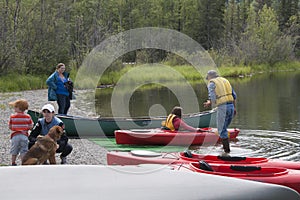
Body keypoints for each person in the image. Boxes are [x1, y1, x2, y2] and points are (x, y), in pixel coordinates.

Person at [203, 70, 237, 155]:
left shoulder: (211, 84)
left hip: (222, 108)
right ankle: (224, 147)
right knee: (224, 129)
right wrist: (234, 108)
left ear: (210, 77)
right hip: (231, 107)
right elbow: (234, 96)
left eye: (208, 78)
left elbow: (213, 98)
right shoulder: (225, 81)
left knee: (221, 130)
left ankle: (226, 152)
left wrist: (209, 102)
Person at [8, 99, 33, 166]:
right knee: (24, 150)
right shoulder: (27, 116)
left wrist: (14, 128)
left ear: (18, 108)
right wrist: (26, 128)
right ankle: (23, 162)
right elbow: (31, 126)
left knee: (14, 149)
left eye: (15, 107)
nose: (14, 108)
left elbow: (10, 126)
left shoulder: (12, 116)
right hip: (24, 135)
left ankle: (13, 162)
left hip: (15, 135)